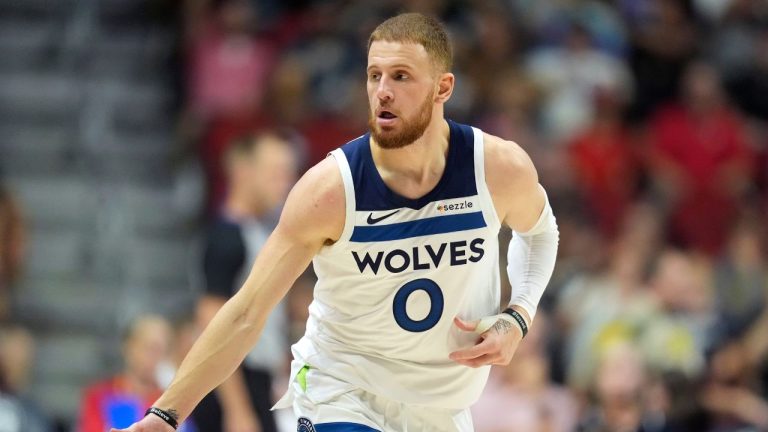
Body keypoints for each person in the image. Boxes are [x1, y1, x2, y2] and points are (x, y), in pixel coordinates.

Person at [112, 12, 559, 432]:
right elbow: (247, 310)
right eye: (374, 75)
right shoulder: (329, 190)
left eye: (401, 76)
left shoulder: (497, 167)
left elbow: (539, 232)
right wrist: (166, 413)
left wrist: (518, 316)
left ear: (443, 89)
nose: (382, 90)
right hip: (342, 390)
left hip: (442, 406)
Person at [193, 132, 297, 432]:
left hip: (258, 381)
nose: (285, 183)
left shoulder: (259, 232)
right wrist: (237, 409)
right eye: (276, 173)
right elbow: (210, 319)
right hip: (235, 382)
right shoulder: (226, 237)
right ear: (242, 171)